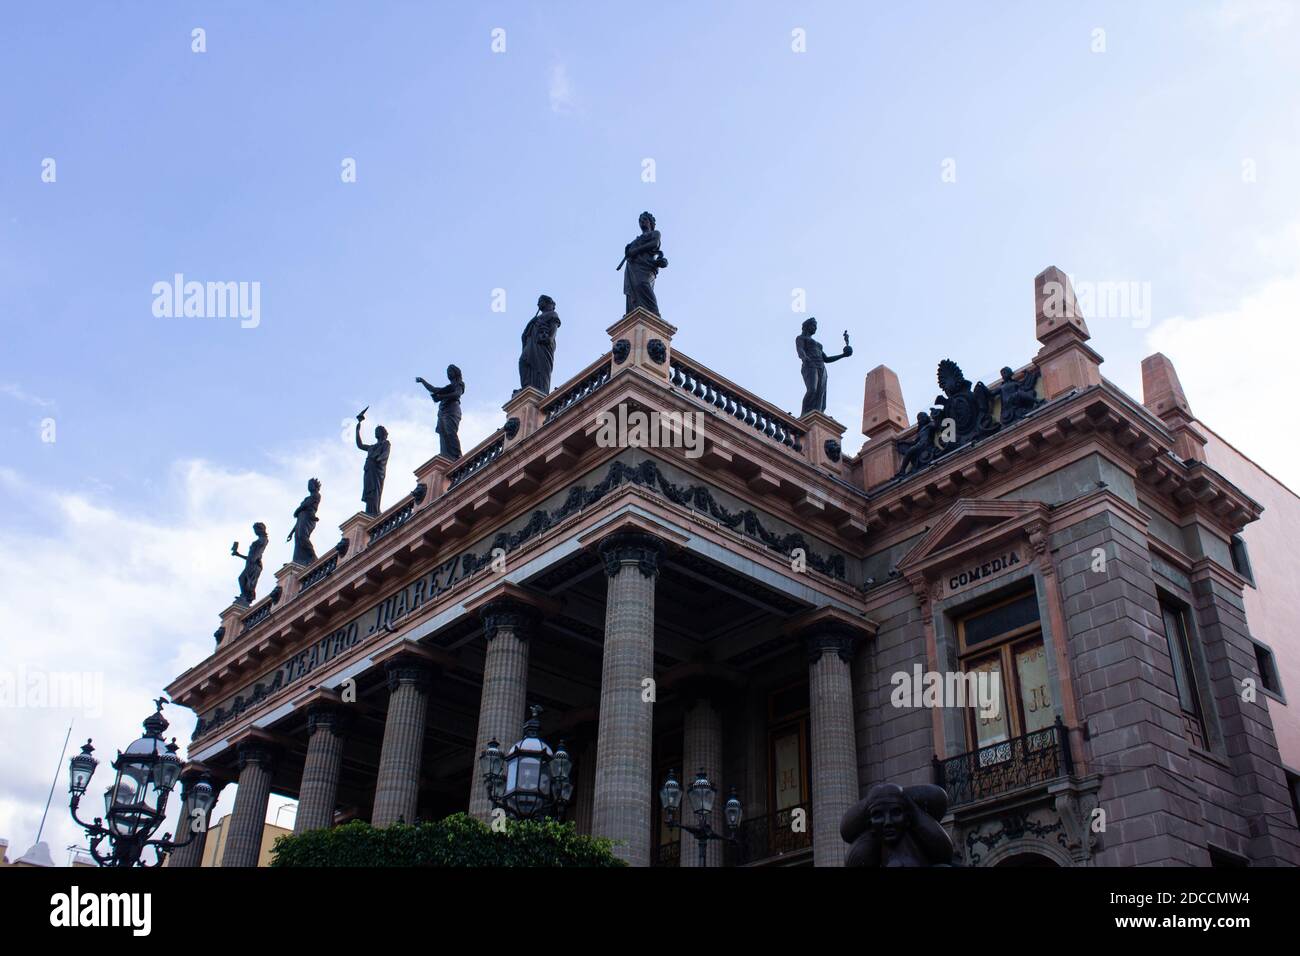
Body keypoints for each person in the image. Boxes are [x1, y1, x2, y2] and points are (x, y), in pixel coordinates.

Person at [795, 317, 852, 415]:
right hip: (810, 365)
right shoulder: (801, 338)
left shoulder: (818, 345)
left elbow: (826, 359)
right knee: (812, 390)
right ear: (807, 326)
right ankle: (803, 414)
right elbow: (800, 350)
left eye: (816, 326)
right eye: (813, 326)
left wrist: (843, 355)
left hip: (821, 367)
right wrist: (805, 358)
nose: (815, 328)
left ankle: (818, 414)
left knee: (821, 393)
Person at [622, 211, 667, 314]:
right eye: (640, 220)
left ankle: (654, 314)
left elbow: (654, 244)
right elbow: (628, 253)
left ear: (650, 222)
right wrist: (629, 249)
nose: (642, 222)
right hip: (633, 266)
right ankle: (633, 312)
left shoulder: (655, 233)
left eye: (645, 219)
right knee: (633, 289)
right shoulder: (635, 241)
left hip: (646, 265)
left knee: (643, 284)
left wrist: (635, 250)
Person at [416, 365, 465, 460]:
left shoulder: (459, 384)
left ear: (456, 372)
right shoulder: (447, 388)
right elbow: (433, 389)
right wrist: (422, 381)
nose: (448, 373)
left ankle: (457, 455)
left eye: (450, 371)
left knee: (450, 432)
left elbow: (457, 394)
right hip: (443, 411)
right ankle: (445, 454)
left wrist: (441, 397)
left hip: (451, 410)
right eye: (447, 372)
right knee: (442, 432)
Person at [518, 295, 562, 392]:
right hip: (531, 345)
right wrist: (531, 323)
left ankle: (540, 389)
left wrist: (550, 338)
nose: (538, 304)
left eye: (540, 301)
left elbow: (554, 327)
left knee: (540, 367)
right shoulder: (536, 319)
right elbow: (525, 335)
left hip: (542, 344)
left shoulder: (552, 314)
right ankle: (526, 387)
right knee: (523, 362)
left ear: (546, 302)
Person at [355, 413, 390, 516]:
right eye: (375, 431)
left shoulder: (385, 443)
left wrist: (377, 459)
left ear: (382, 433)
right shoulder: (371, 447)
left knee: (375, 490)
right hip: (369, 470)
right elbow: (360, 445)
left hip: (377, 470)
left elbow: (385, 454)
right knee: (369, 491)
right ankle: (369, 511)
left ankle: (374, 511)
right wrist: (357, 430)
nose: (375, 432)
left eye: (377, 431)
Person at [232, 522, 269, 604]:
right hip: (251, 563)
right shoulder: (261, 539)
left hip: (254, 564)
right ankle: (244, 597)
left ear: (260, 529)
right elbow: (250, 557)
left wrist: (254, 559)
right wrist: (238, 554)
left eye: (255, 529)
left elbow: (258, 552)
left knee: (245, 580)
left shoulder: (263, 539)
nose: (255, 531)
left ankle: (245, 597)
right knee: (244, 580)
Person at [286, 478, 321, 565]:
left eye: (310, 484)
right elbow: (298, 522)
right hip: (302, 518)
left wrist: (296, 511)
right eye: (308, 485)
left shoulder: (316, 495)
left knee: (302, 537)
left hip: (309, 518)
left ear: (315, 486)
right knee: (297, 539)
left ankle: (313, 556)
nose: (309, 486)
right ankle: (297, 561)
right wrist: (291, 532)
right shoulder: (307, 498)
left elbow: (307, 505)